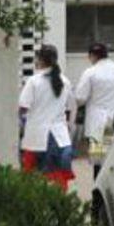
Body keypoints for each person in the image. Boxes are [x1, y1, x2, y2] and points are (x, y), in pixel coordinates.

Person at [18, 44, 74, 190]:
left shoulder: (34, 81)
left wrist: (20, 122)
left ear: (40, 60)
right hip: (59, 137)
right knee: (58, 179)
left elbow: (23, 106)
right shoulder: (65, 81)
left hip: (36, 137)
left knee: (30, 179)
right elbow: (69, 108)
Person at [74, 42, 114, 177]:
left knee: (98, 161)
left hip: (97, 123)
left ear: (92, 56)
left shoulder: (90, 72)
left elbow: (80, 97)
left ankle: (98, 186)